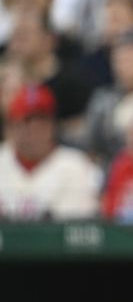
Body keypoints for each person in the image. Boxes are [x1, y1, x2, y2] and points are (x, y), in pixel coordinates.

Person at [0, 85, 101, 220]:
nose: (32, 130)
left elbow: (71, 229)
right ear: (12, 126)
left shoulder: (76, 166)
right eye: (26, 121)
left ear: (52, 125)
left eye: (41, 121)